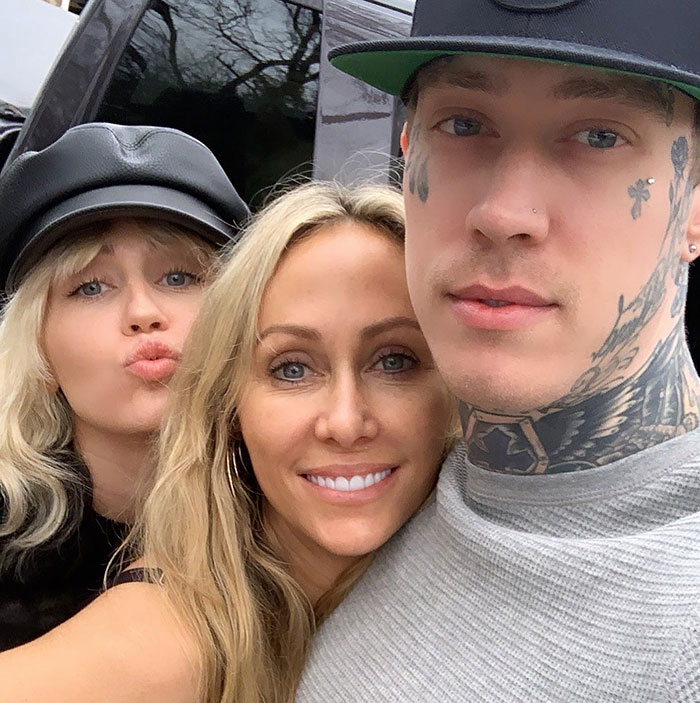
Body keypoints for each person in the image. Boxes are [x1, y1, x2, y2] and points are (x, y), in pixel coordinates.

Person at [296, 2, 700, 701]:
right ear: (406, 151)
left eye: (599, 134)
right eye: (463, 124)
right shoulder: (359, 491)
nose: (505, 213)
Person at [0, 181, 458, 703]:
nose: (346, 421)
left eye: (394, 360)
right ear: (228, 403)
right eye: (291, 369)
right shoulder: (177, 629)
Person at [0, 122, 248, 651]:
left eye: (178, 277)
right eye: (91, 286)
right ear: (37, 352)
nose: (142, 312)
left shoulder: (306, 509)